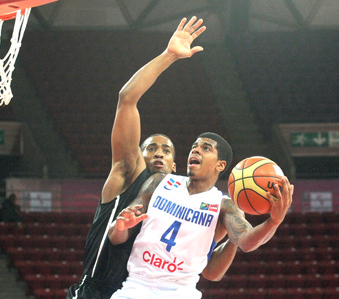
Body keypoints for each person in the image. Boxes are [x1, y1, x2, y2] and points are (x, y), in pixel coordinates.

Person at [67, 17, 238, 299]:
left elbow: (208, 266)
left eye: (167, 150)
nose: (158, 152)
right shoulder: (126, 173)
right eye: (150, 148)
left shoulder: (179, 200)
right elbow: (127, 99)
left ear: (174, 167)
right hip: (97, 292)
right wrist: (169, 55)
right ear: (138, 152)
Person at [108, 132, 294, 298]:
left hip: (180, 291)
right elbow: (116, 237)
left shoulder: (223, 206)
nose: (195, 151)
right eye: (194, 147)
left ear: (220, 164)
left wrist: (273, 222)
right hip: (136, 286)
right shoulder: (159, 182)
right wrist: (120, 227)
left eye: (205, 148)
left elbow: (245, 242)